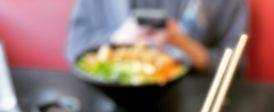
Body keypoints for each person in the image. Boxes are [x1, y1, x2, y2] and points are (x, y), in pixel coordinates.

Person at [67, 0, 248, 71]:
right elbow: (75, 48)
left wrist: (190, 49)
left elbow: (238, 67)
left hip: (196, 102)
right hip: (112, 97)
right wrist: (117, 40)